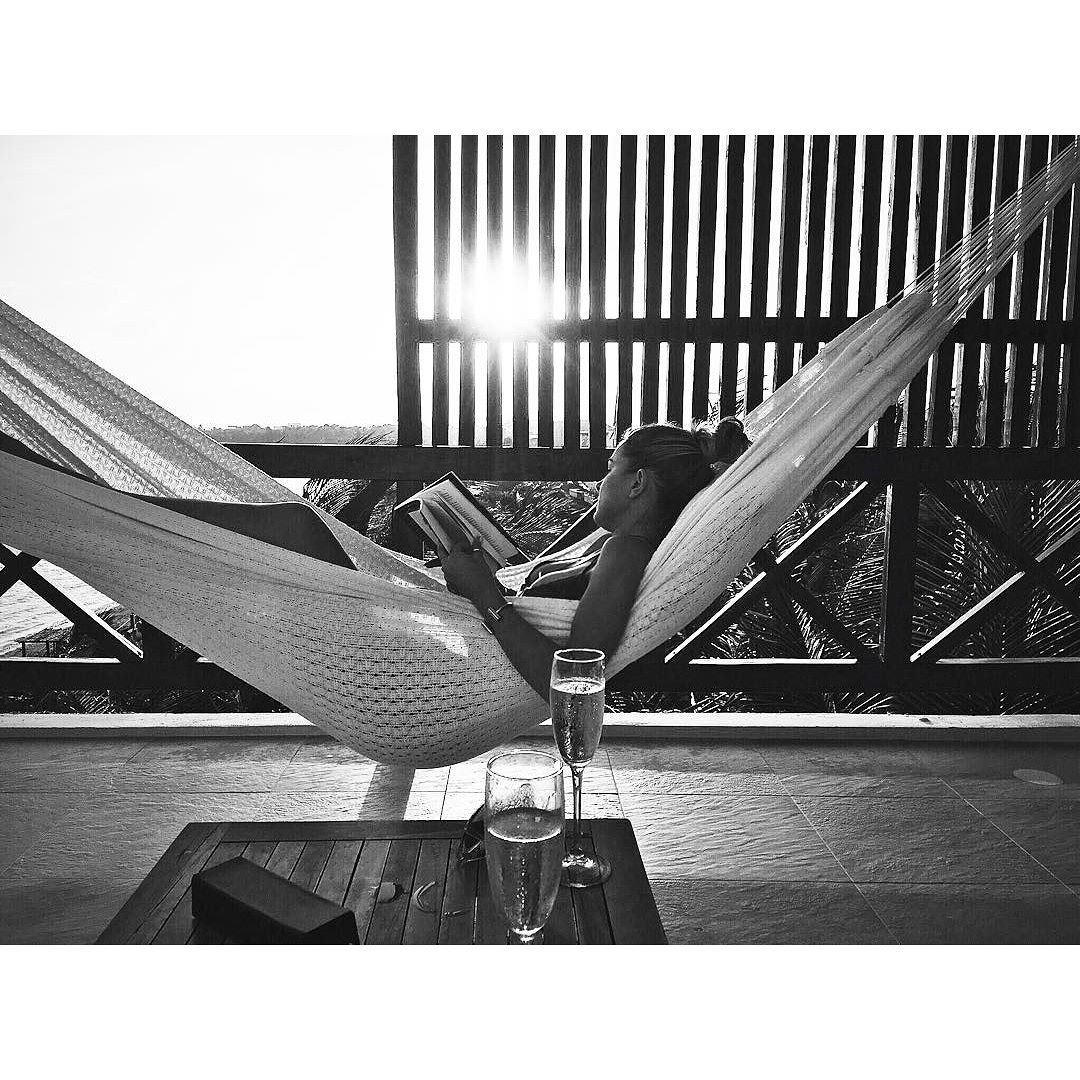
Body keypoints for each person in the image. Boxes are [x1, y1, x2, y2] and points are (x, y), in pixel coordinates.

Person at [435, 417, 749, 698]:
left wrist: (483, 593)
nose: (600, 483)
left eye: (611, 468)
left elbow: (576, 679)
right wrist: (480, 579)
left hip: (480, 677)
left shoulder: (626, 553)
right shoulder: (613, 544)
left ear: (637, 483)